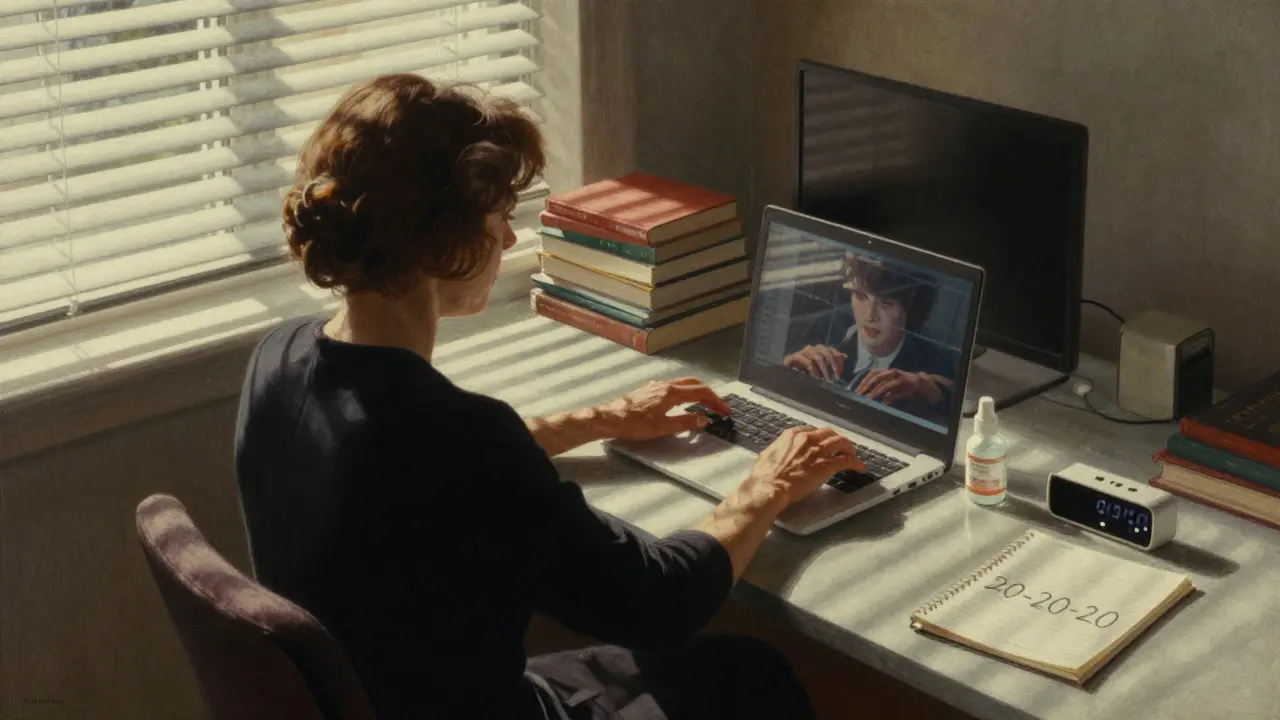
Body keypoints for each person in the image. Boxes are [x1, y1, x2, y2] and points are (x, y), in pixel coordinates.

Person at [233, 74, 867, 720]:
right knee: (754, 676)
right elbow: (657, 600)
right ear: (442, 239)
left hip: (397, 694)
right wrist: (768, 485)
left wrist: (602, 419)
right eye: (501, 216)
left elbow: (417, 470)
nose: (510, 240)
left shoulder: (278, 363)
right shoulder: (462, 441)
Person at [782, 252, 958, 422]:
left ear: (911, 310)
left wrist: (923, 387)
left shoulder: (936, 358)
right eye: (860, 296)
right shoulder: (817, 331)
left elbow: (954, 406)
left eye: (886, 304)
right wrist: (789, 370)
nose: (870, 316)